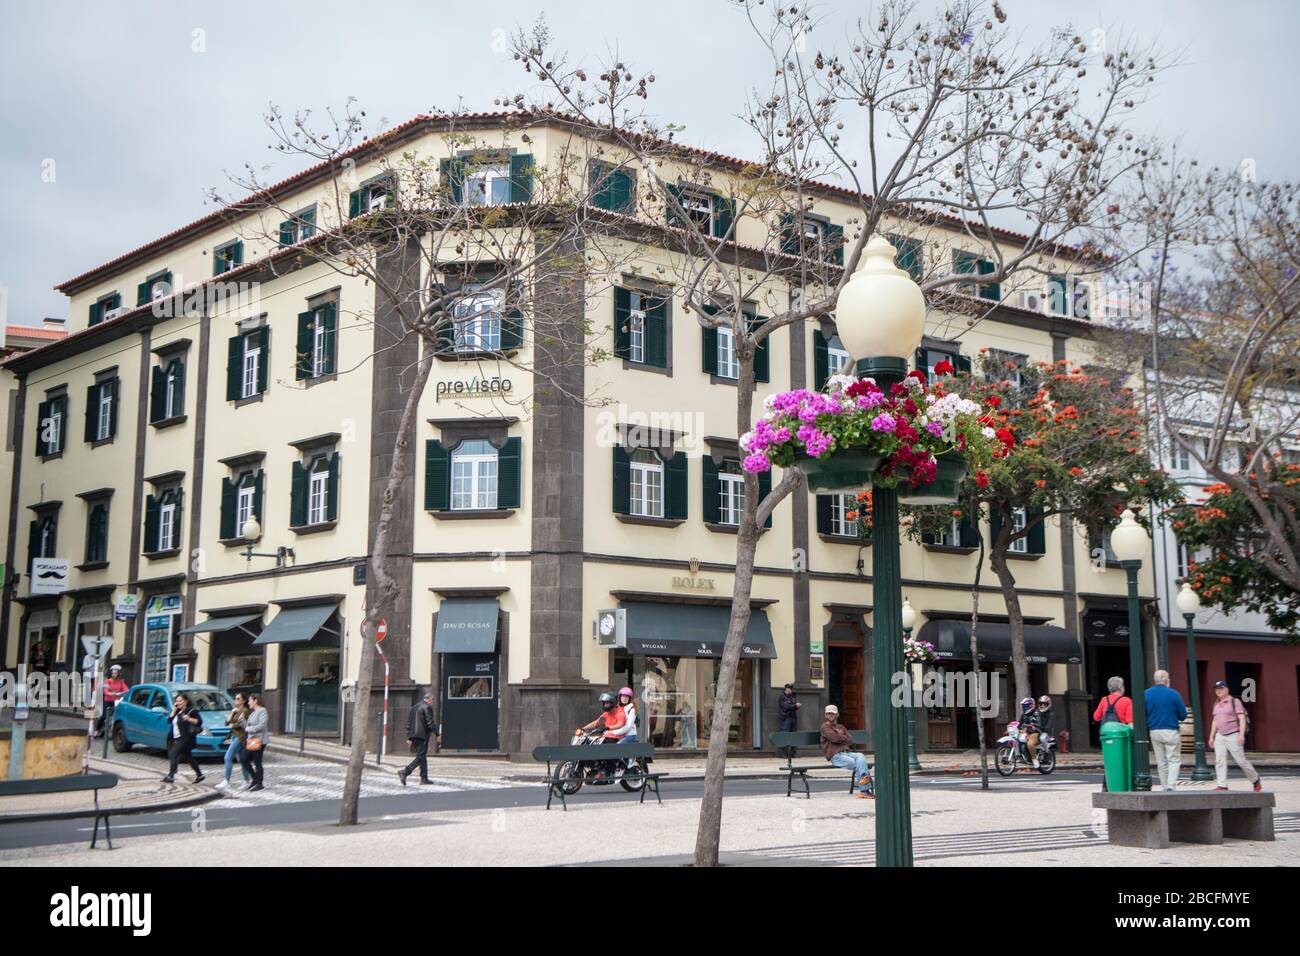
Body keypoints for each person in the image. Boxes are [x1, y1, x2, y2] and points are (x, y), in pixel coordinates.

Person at [1208, 680, 1262, 792]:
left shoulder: (1235, 701)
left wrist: (1241, 735)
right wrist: (1211, 737)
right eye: (1217, 689)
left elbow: (1242, 719)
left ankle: (1255, 779)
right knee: (1219, 760)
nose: (1218, 691)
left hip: (1233, 734)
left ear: (1227, 689)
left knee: (1241, 761)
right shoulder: (1216, 703)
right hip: (1220, 736)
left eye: (1221, 688)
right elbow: (1215, 721)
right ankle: (1222, 785)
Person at [1145, 670, 1188, 792]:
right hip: (1170, 730)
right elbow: (1183, 714)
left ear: (1155, 680)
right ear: (1166, 680)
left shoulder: (1146, 694)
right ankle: (1170, 786)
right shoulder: (1173, 694)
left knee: (1161, 761)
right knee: (1173, 759)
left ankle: (1164, 786)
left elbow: (1142, 713)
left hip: (1154, 731)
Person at [821, 705, 873, 799]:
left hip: (846, 753)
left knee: (860, 755)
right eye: (828, 713)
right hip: (835, 755)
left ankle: (864, 785)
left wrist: (840, 737)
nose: (830, 715)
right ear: (825, 715)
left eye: (833, 713)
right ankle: (865, 790)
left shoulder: (841, 727)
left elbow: (849, 740)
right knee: (859, 764)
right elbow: (834, 739)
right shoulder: (825, 727)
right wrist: (841, 737)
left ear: (837, 714)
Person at [162, 692, 204, 785]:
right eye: (177, 701)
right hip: (176, 737)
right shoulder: (177, 711)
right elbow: (169, 720)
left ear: (186, 701)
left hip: (185, 737)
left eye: (180, 701)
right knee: (188, 756)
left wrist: (189, 719)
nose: (178, 703)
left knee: (173, 754)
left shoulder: (192, 711)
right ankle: (200, 775)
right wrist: (174, 709)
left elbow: (199, 722)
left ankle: (171, 776)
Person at [399, 689, 438, 786]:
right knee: (420, 757)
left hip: (414, 735)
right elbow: (430, 723)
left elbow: (409, 723)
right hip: (422, 735)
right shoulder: (427, 707)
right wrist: (437, 734)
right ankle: (405, 771)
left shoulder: (414, 707)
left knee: (422, 757)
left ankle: (424, 778)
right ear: (428, 699)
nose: (432, 702)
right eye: (432, 700)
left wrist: (409, 737)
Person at [219, 692, 251, 791]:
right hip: (234, 736)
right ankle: (247, 780)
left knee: (227, 757)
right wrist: (232, 713)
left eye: (238, 699)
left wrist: (233, 724)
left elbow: (239, 725)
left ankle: (226, 781)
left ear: (243, 701)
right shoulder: (236, 710)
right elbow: (226, 723)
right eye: (235, 698)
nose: (235, 700)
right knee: (241, 760)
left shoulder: (245, 711)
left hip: (240, 737)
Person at [239, 693, 269, 791]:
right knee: (243, 758)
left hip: (259, 740)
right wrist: (243, 720)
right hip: (252, 740)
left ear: (255, 700)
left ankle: (259, 783)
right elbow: (246, 727)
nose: (248, 703)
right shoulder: (253, 712)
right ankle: (255, 778)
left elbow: (262, 726)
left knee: (257, 762)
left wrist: (250, 728)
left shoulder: (262, 711)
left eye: (250, 700)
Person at [97, 665, 129, 737]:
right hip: (107, 700)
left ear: (119, 674)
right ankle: (97, 729)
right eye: (113, 673)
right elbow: (105, 692)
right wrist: (112, 693)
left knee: (116, 715)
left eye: (116, 673)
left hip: (116, 701)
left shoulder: (121, 682)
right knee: (103, 716)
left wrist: (123, 693)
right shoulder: (107, 681)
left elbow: (127, 690)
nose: (114, 674)